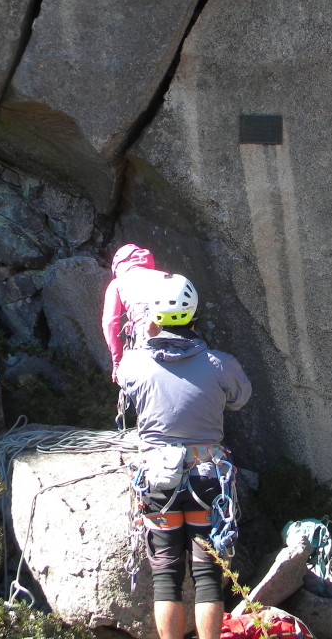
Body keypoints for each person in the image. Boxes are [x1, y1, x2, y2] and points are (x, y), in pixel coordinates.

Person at [117, 272, 252, 639]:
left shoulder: (134, 363)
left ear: (155, 317)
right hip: (207, 476)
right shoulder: (220, 364)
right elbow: (239, 399)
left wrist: (147, 336)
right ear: (194, 313)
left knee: (166, 575)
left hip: (158, 478)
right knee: (207, 573)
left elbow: (125, 384)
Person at [101, 243, 163, 382]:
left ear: (119, 266)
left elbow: (110, 324)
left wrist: (117, 362)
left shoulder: (117, 283)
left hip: (143, 340)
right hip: (180, 335)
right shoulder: (165, 276)